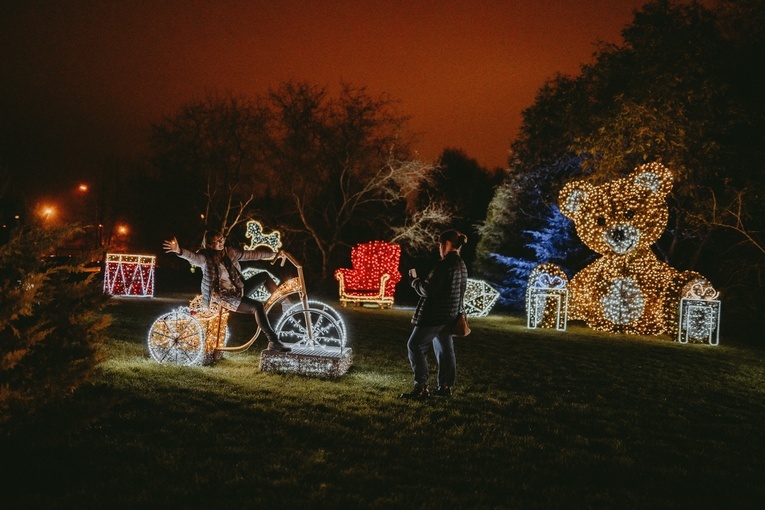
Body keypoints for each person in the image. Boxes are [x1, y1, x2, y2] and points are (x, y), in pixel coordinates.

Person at [163, 231, 291, 352]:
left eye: (222, 239)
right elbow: (193, 257)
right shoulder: (205, 258)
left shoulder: (230, 252)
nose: (221, 242)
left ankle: (285, 304)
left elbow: (252, 254)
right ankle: (273, 341)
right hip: (224, 296)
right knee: (257, 307)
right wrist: (178, 250)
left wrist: (274, 254)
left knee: (264, 276)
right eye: (217, 241)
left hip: (238, 288)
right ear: (209, 245)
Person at [399, 230, 468, 399]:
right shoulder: (461, 264)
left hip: (435, 315)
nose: (439, 248)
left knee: (415, 345)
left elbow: (427, 290)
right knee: (445, 350)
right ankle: (445, 388)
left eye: (440, 244)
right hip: (450, 314)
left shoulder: (445, 265)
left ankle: (421, 388)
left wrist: (414, 281)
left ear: (446, 245)